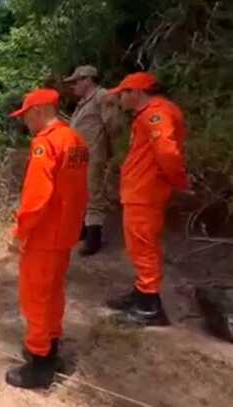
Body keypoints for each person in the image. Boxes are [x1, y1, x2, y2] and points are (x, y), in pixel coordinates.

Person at [7, 88, 89, 389]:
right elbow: (78, 190)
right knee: (53, 293)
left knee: (36, 298)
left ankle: (39, 366)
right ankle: (50, 349)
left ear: (39, 111)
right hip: (65, 232)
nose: (25, 122)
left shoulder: (46, 143)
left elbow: (36, 198)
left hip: (44, 234)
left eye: (26, 115)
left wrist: (20, 233)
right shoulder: (76, 140)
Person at [106, 72, 189, 327]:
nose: (119, 98)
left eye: (123, 93)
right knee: (139, 246)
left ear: (137, 93)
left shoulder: (157, 114)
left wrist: (180, 182)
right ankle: (142, 293)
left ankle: (149, 308)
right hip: (140, 190)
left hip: (145, 192)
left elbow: (167, 152)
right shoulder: (149, 114)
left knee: (143, 247)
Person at [64, 65, 121, 256]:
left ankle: (93, 238)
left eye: (76, 81)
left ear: (87, 80)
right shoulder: (84, 102)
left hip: (93, 154)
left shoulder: (102, 96)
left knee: (93, 193)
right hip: (79, 156)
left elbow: (113, 125)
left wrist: (110, 150)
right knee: (79, 193)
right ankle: (83, 230)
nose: (74, 86)